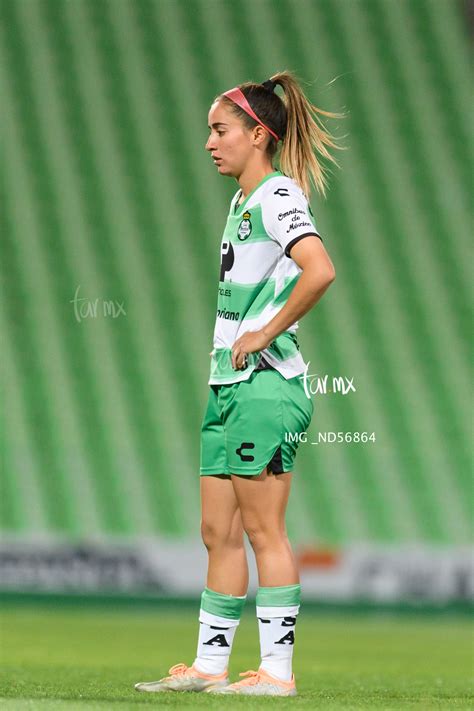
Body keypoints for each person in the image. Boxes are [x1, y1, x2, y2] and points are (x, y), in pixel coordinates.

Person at [135, 70, 344, 697]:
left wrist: (264, 332)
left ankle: (276, 675)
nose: (209, 142)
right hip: (226, 384)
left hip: (265, 384)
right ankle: (209, 667)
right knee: (217, 533)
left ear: (259, 134)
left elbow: (320, 270)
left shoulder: (279, 198)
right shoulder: (242, 200)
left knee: (263, 532)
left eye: (220, 130)